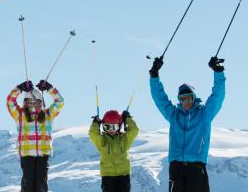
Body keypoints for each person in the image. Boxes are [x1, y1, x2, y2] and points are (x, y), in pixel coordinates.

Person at [148, 56, 226, 192]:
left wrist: (218, 72)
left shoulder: (204, 115)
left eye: (188, 98)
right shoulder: (174, 115)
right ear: (179, 100)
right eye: (182, 99)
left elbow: (217, 97)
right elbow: (160, 99)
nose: (186, 102)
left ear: (194, 97)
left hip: (196, 168)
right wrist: (154, 76)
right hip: (176, 168)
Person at [6, 80, 64, 192]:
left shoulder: (48, 114)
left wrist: (50, 88)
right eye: (30, 102)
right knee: (28, 185)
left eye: (37, 102)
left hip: (43, 155)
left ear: (41, 102)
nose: (34, 105)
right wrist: (19, 88)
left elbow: (60, 102)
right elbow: (10, 102)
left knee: (41, 185)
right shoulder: (20, 115)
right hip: (27, 155)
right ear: (25, 103)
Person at [89, 110, 139, 192]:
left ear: (119, 126)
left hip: (123, 175)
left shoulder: (124, 139)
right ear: (104, 127)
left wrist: (127, 119)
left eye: (114, 127)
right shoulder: (102, 140)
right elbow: (93, 134)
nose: (111, 130)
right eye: (107, 127)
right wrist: (95, 123)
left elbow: (134, 130)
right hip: (108, 176)